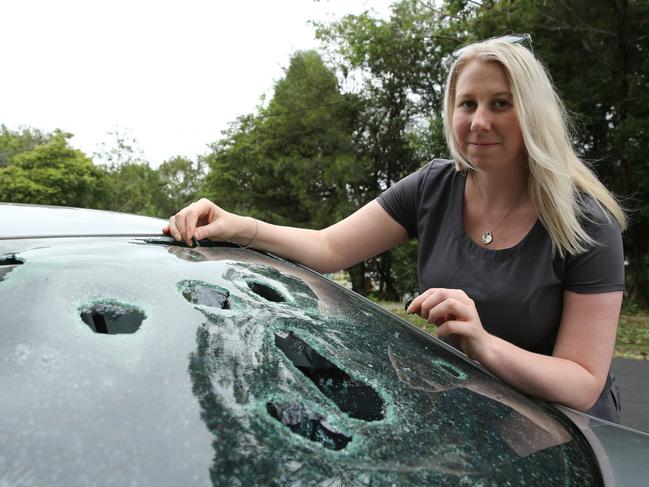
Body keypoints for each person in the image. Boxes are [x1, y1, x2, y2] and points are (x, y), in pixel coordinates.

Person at [164, 35, 626, 422]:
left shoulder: (585, 219)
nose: (479, 121)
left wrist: (483, 345)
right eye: (468, 103)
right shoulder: (433, 187)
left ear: (532, 114)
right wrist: (237, 225)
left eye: (500, 104)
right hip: (472, 415)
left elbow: (582, 381)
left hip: (569, 436)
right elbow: (329, 246)